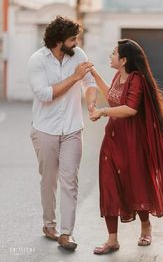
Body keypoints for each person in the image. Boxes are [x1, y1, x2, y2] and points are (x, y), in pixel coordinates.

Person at [89, 39, 163, 255]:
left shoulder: (136, 79)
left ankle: (146, 227)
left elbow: (130, 109)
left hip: (132, 142)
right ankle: (112, 240)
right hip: (112, 140)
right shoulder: (118, 75)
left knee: (136, 183)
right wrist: (93, 74)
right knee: (109, 184)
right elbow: (112, 96)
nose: (110, 56)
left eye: (113, 53)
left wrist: (102, 112)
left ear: (124, 60)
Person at [28, 16, 97, 251]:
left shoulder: (79, 55)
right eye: (72, 39)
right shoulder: (37, 61)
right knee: (49, 180)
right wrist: (74, 77)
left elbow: (89, 84)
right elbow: (45, 94)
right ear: (58, 41)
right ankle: (49, 225)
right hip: (44, 129)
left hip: (72, 129)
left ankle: (67, 233)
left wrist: (91, 105)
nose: (76, 43)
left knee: (70, 181)